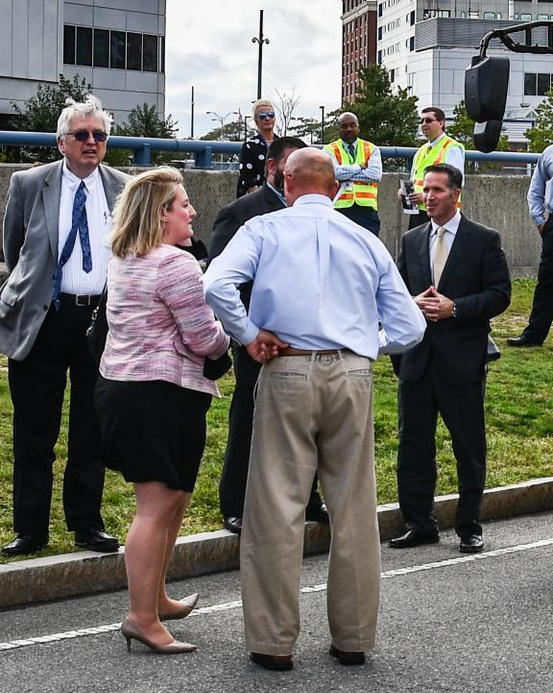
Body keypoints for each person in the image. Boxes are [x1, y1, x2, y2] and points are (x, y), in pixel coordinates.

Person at [203, 148, 425, 672]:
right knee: (353, 505)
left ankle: (274, 641)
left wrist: (250, 334)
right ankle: (352, 638)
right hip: (351, 371)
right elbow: (411, 327)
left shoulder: (263, 230)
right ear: (337, 187)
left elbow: (215, 284)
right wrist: (365, 343)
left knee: (276, 505)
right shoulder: (365, 239)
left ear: (285, 179)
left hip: (287, 366)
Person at [96, 168, 231, 655]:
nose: (191, 212)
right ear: (160, 214)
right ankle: (141, 617)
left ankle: (154, 599)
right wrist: (227, 338)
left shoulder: (124, 259)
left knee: (171, 500)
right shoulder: (175, 264)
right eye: (183, 204)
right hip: (159, 395)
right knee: (156, 508)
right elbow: (202, 335)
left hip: (127, 392)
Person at [0, 97, 128, 556]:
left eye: (99, 135)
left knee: (91, 426)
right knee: (35, 429)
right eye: (82, 135)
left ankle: (86, 523)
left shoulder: (124, 187)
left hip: (100, 322)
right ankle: (30, 529)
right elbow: (14, 250)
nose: (91, 142)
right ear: (62, 142)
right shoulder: (30, 184)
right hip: (45, 319)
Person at [209, 135, 326, 535]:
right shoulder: (242, 213)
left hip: (307, 341)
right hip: (259, 339)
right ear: (274, 169)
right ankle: (237, 502)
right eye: (295, 169)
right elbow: (222, 280)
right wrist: (250, 332)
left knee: (308, 421)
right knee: (249, 417)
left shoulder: (319, 214)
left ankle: (307, 497)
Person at [391, 164, 511, 553]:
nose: (428, 197)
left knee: (468, 445)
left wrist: (455, 308)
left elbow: (500, 294)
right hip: (416, 360)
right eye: (425, 190)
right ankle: (418, 521)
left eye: (437, 190)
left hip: (461, 360)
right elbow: (392, 293)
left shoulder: (483, 240)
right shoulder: (410, 241)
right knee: (413, 444)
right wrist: (413, 303)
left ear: (456, 195)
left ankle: (468, 524)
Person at [508, 113, 553, 347]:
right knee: (547, 280)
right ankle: (534, 334)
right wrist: (539, 220)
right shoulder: (551, 152)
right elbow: (535, 190)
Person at [401, 106, 464, 228]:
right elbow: (415, 180)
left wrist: (424, 196)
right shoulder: (421, 151)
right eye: (422, 121)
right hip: (418, 212)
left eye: (428, 120)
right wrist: (405, 193)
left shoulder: (451, 148)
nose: (424, 124)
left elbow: (455, 183)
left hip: (441, 213)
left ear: (441, 123)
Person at [326, 111, 382, 238]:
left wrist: (345, 174)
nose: (349, 129)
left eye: (352, 125)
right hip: (339, 208)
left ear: (358, 127)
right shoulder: (329, 149)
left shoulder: (371, 148)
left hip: (367, 210)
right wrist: (358, 167)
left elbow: (374, 175)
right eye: (344, 126)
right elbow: (334, 173)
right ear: (339, 129)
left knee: (369, 251)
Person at [235, 99, 277, 198]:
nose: (267, 119)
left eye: (271, 115)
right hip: (256, 197)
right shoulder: (249, 146)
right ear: (256, 121)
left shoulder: (281, 144)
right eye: (262, 116)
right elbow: (247, 176)